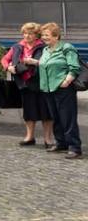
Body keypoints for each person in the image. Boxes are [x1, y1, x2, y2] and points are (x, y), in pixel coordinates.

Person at [30, 22, 81, 159]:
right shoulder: (46, 50)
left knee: (68, 118)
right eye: (43, 35)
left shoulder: (66, 48)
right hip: (48, 89)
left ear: (56, 36)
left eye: (47, 35)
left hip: (63, 88)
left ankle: (74, 147)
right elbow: (44, 64)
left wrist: (67, 81)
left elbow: (74, 67)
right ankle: (61, 143)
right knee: (56, 117)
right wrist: (34, 62)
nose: (44, 38)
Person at [0, 22, 53, 147]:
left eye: (30, 33)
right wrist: (8, 67)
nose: (27, 36)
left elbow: (51, 61)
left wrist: (35, 62)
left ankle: (48, 139)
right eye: (25, 33)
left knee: (46, 111)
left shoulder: (44, 47)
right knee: (29, 111)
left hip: (42, 83)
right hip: (25, 84)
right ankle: (29, 137)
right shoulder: (17, 47)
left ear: (36, 35)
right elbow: (4, 59)